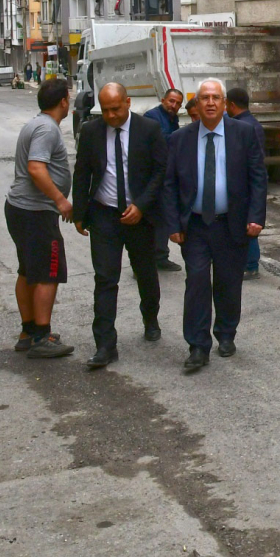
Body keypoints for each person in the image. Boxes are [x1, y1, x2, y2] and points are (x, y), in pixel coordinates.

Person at [163, 78, 266, 372]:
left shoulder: (244, 134)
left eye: (215, 97)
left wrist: (256, 216)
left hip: (231, 225)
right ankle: (197, 346)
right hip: (194, 227)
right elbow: (169, 185)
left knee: (228, 282)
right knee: (196, 281)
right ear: (196, 104)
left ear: (224, 104)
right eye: (204, 97)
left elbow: (258, 178)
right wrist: (172, 223)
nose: (210, 102)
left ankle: (226, 333)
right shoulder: (180, 139)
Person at [71, 83, 169, 368]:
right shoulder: (91, 131)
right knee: (105, 278)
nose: (112, 116)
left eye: (116, 109)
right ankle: (104, 345)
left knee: (146, 272)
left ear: (127, 102)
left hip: (139, 215)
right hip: (104, 215)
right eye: (106, 110)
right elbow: (82, 172)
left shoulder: (148, 130)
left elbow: (160, 171)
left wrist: (141, 205)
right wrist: (79, 213)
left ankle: (150, 318)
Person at [3, 80, 78, 358]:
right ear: (63, 101)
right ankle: (41, 337)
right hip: (35, 212)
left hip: (20, 209)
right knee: (48, 272)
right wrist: (60, 200)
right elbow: (36, 167)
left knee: (28, 271)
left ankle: (29, 331)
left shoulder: (36, 124)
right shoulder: (47, 128)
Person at [141, 88, 187, 274]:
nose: (174, 105)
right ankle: (144, 263)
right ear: (163, 100)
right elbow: (160, 142)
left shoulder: (172, 119)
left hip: (166, 177)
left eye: (177, 103)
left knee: (163, 219)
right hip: (152, 176)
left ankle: (160, 257)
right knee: (149, 221)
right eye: (171, 101)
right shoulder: (152, 117)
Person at [226, 85, 265, 280]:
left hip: (247, 185)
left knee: (248, 224)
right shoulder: (251, 123)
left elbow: (254, 162)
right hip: (247, 184)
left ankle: (250, 264)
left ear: (231, 105)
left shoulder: (246, 127)